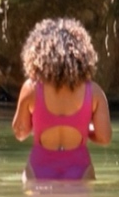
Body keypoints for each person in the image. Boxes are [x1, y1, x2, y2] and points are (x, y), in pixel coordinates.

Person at [11, 17, 113, 181]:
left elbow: (20, 133)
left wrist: (38, 124)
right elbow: (105, 138)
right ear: (82, 55)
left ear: (40, 54)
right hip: (80, 169)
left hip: (39, 168)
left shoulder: (31, 88)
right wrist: (84, 130)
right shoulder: (94, 91)